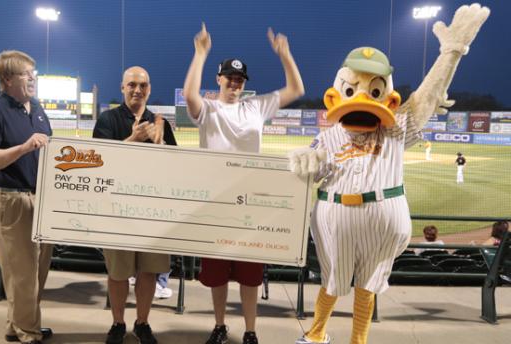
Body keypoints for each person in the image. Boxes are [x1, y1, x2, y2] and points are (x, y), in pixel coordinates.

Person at [290, 5, 489, 344]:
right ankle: (316, 334)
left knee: (368, 285)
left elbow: (425, 98)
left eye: (375, 89)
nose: (364, 97)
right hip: (335, 217)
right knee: (332, 281)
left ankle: (358, 340)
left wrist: (452, 52)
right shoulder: (328, 136)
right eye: (353, 89)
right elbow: (310, 166)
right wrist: (303, 160)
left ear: (390, 97)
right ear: (335, 94)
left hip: (381, 219)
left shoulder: (398, 128)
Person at [183, 23, 304, 344]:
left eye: (240, 79)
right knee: (218, 274)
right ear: (219, 79)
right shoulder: (208, 109)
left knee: (250, 276)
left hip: (252, 202)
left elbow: (296, 89)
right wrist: (200, 54)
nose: (235, 83)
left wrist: (285, 54)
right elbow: (189, 95)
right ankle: (220, 326)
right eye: (229, 77)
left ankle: (251, 330)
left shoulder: (256, 107)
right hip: (216, 202)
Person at [0, 50, 53, 344]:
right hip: (11, 200)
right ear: (7, 79)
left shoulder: (38, 109)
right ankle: (28, 332)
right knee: (21, 273)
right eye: (25, 73)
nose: (32, 78)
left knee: (36, 271)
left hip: (39, 200)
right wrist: (23, 147)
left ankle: (17, 324)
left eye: (34, 73)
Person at [93, 66, 176, 344]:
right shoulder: (108, 119)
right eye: (132, 85)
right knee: (118, 273)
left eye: (142, 85)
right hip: (117, 209)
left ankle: (142, 323)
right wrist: (133, 139)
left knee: (149, 271)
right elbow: (98, 162)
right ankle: (118, 323)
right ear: (122, 87)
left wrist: (160, 142)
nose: (137, 90)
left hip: (152, 211)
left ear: (149, 89)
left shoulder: (159, 121)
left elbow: (176, 167)